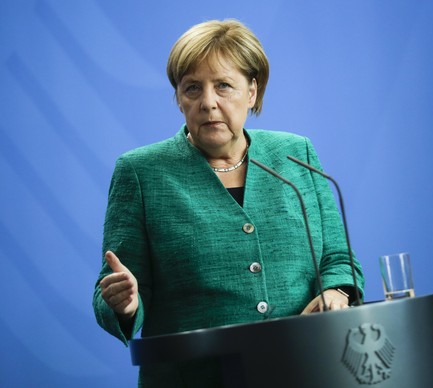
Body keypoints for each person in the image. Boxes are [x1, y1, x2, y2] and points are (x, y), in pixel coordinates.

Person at [93, 19, 365, 387]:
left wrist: (335, 291)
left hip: (307, 369)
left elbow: (338, 257)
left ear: (252, 91)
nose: (208, 102)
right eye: (192, 88)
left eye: (223, 85)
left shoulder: (295, 155)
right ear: (178, 97)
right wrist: (125, 304)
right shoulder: (141, 173)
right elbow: (114, 289)